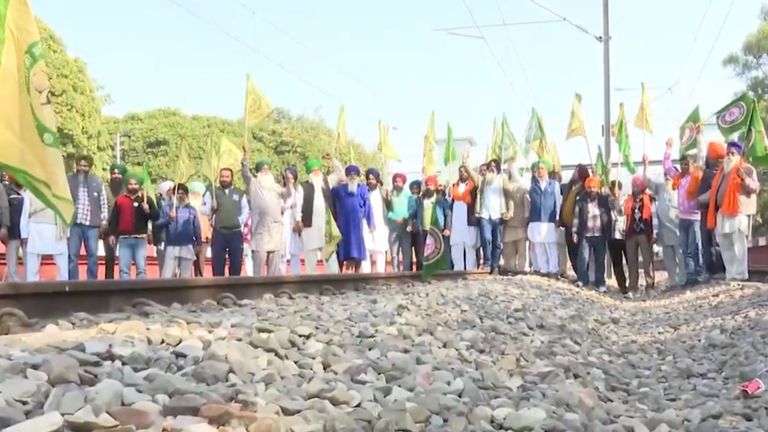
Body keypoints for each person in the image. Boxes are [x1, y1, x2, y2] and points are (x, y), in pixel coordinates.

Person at [705, 141, 760, 282]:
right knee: (725, 244)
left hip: (738, 212)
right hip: (722, 213)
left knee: (738, 244)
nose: (729, 156)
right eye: (727, 153)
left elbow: (755, 188)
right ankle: (731, 274)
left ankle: (740, 275)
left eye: (732, 153)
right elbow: (714, 193)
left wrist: (744, 178)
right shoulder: (722, 172)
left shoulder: (746, 169)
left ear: (739, 155)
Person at [665, 138, 704, 286]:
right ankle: (690, 277)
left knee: (694, 248)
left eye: (686, 164)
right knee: (685, 249)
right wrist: (668, 149)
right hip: (682, 218)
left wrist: (699, 137)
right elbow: (668, 167)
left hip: (695, 218)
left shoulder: (697, 175)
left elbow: (701, 156)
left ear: (692, 164)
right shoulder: (679, 178)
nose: (683, 166)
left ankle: (698, 274)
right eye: (681, 164)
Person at [643, 148, 684, 289]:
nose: (667, 176)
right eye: (666, 174)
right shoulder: (660, 187)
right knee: (669, 258)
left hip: (678, 228)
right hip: (664, 231)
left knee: (681, 256)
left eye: (670, 174)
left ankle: (682, 281)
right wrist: (646, 165)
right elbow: (647, 181)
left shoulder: (680, 187)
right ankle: (673, 282)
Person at [107, 172, 160, 279]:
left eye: (135, 184)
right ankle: (126, 294)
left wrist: (148, 211)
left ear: (139, 185)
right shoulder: (120, 200)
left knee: (141, 269)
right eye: (130, 184)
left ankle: (141, 293)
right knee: (124, 270)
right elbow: (114, 219)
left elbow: (156, 217)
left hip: (140, 239)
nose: (133, 186)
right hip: (124, 239)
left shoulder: (146, 199)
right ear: (127, 185)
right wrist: (112, 234)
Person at [297, 158, 344, 275]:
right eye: (314, 171)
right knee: (311, 257)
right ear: (309, 173)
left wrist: (333, 160)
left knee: (330, 255)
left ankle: (333, 280)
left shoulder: (327, 181)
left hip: (326, 226)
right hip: (310, 227)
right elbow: (298, 204)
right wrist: (298, 220)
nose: (317, 173)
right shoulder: (302, 187)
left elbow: (340, 173)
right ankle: (311, 283)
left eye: (318, 170)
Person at [201, 167, 249, 276]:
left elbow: (245, 209)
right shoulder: (212, 191)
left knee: (236, 265)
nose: (224, 179)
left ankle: (235, 289)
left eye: (227, 177)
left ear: (232, 178)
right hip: (219, 233)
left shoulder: (239, 193)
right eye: (222, 176)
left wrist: (239, 221)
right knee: (217, 266)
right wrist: (211, 208)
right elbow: (204, 210)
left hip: (235, 233)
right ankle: (218, 290)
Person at [67, 154, 108, 280]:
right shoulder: (68, 180)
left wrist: (104, 220)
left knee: (92, 256)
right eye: (80, 165)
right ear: (76, 166)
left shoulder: (97, 181)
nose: (82, 168)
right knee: (72, 256)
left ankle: (91, 283)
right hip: (74, 224)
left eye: (85, 166)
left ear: (89, 167)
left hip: (92, 225)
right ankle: (73, 283)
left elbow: (103, 202)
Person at [242, 157, 284, 276]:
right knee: (258, 270)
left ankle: (274, 292)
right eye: (263, 170)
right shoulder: (253, 184)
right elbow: (245, 173)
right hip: (260, 232)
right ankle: (257, 292)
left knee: (274, 271)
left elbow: (286, 194)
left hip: (275, 230)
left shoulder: (276, 186)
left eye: (267, 170)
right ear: (258, 172)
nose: (266, 172)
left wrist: (290, 184)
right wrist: (245, 157)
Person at [571, 176, 611, 292]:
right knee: (583, 258)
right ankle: (582, 280)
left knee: (600, 260)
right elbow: (576, 218)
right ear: (586, 188)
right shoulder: (581, 200)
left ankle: (600, 283)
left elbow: (609, 215)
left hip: (600, 234)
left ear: (597, 188)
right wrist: (574, 232)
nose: (592, 189)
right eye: (589, 187)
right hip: (585, 234)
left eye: (594, 187)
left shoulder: (603, 200)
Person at [332, 165, 373, 273]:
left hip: (357, 226)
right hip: (344, 227)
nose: (352, 177)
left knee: (358, 256)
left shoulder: (363, 189)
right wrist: (338, 179)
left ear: (359, 176)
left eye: (355, 175)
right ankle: (345, 281)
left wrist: (371, 223)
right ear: (346, 176)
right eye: (350, 175)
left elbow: (368, 207)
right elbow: (330, 194)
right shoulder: (339, 190)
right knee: (346, 256)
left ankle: (359, 280)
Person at [155, 183, 202, 278]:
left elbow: (197, 227)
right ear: (173, 195)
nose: (180, 196)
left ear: (187, 195)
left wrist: (199, 243)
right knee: (167, 275)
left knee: (186, 276)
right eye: (178, 193)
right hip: (171, 245)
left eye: (182, 193)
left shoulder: (191, 210)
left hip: (187, 245)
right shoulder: (167, 208)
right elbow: (157, 224)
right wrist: (168, 219)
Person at [21, 191, 68, 281]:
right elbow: (25, 213)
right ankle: (62, 286)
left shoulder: (32, 190)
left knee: (61, 261)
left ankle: (62, 286)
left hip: (53, 227)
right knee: (33, 263)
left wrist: (24, 234)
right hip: (39, 228)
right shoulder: (58, 190)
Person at [624, 175, 658, 297]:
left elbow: (654, 217)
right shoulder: (628, 200)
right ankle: (632, 288)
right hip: (631, 233)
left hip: (645, 233)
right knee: (632, 262)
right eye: (633, 185)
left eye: (637, 185)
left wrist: (655, 233)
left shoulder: (649, 199)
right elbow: (622, 213)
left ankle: (650, 286)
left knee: (647, 260)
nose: (635, 187)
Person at [408, 175, 451, 271]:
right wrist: (410, 225)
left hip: (436, 230)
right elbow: (412, 214)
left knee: (436, 254)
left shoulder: (440, 200)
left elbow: (448, 214)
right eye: (427, 185)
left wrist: (447, 228)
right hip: (422, 230)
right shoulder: (420, 200)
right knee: (421, 256)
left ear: (435, 186)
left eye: (431, 185)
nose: (429, 187)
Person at [475, 159, 511, 274]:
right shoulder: (483, 180)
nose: (492, 168)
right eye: (490, 166)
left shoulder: (503, 180)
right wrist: (466, 162)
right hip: (485, 215)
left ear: (498, 168)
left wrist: (510, 211)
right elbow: (472, 175)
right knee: (486, 238)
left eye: (495, 166)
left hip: (498, 215)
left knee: (497, 242)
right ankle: (487, 262)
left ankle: (494, 265)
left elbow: (509, 197)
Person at [697, 141, 727, 279]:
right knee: (706, 243)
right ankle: (710, 270)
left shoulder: (720, 174)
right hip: (705, 213)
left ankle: (718, 270)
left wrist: (702, 199)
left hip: (715, 213)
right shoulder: (707, 173)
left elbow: (714, 194)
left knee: (715, 242)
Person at [528, 159, 562, 276]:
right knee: (538, 245)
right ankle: (543, 269)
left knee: (551, 245)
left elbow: (558, 202)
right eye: (538, 169)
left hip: (549, 220)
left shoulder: (554, 184)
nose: (540, 171)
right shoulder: (532, 185)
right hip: (536, 219)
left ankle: (554, 269)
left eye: (542, 169)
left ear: (547, 170)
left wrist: (557, 217)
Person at [559, 164, 590, 275]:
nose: (573, 173)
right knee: (571, 251)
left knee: (580, 252)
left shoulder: (585, 188)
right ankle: (578, 274)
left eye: (576, 171)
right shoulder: (569, 187)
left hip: (578, 226)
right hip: (567, 225)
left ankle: (583, 275)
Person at [450, 164, 479, 271]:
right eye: (460, 171)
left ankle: (471, 270)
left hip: (469, 221)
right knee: (456, 246)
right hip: (457, 222)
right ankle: (458, 270)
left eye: (465, 171)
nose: (463, 173)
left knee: (470, 246)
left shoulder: (474, 187)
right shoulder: (453, 187)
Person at [501, 163, 529, 275]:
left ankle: (522, 268)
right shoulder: (504, 186)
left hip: (520, 221)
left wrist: (526, 219)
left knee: (522, 248)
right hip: (508, 223)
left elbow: (526, 205)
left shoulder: (523, 187)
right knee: (508, 248)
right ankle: (510, 267)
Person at [362, 168, 390, 273]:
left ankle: (380, 274)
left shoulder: (383, 192)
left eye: (373, 179)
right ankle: (366, 275)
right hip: (366, 224)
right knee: (366, 249)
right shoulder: (363, 191)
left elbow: (389, 206)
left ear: (377, 180)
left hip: (381, 225)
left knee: (380, 250)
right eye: (369, 179)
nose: (370, 181)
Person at [104, 163, 127, 279]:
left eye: (119, 174)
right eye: (114, 174)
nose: (116, 176)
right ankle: (108, 283)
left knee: (125, 258)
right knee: (110, 257)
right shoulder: (105, 189)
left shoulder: (128, 190)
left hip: (124, 228)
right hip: (109, 228)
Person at [281, 166, 303, 275]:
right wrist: (288, 207)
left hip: (294, 225)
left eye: (291, 178)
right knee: (283, 253)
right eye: (286, 178)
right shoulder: (280, 192)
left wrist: (298, 222)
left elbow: (299, 209)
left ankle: (296, 277)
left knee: (294, 252)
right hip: (282, 224)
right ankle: (280, 278)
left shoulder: (298, 192)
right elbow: (279, 208)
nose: (289, 180)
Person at [607, 180, 628, 295]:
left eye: (614, 189)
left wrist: (618, 199)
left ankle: (632, 283)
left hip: (624, 234)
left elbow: (622, 211)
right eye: (611, 189)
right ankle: (622, 285)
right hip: (612, 235)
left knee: (630, 260)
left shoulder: (625, 199)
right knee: (617, 262)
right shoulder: (609, 200)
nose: (612, 191)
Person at [187, 181, 212, 277]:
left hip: (203, 239)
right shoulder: (187, 207)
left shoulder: (205, 208)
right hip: (189, 239)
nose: (195, 196)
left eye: (198, 194)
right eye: (193, 193)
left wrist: (209, 235)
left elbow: (210, 222)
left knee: (200, 264)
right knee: (188, 264)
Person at [4, 176, 26, 281]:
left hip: (27, 231)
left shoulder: (29, 191)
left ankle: (30, 280)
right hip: (12, 229)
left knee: (29, 258)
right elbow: (3, 209)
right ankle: (13, 280)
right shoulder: (6, 190)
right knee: (12, 257)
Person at [387, 173, 410, 272]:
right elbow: (386, 211)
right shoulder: (389, 195)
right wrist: (394, 217)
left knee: (406, 253)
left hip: (405, 227)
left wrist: (404, 217)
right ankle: (396, 273)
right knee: (394, 253)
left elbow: (411, 209)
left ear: (403, 183)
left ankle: (405, 273)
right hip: (393, 227)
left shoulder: (408, 195)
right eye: (395, 182)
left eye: (399, 182)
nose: (397, 184)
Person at [152, 180, 175, 276]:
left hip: (176, 241)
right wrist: (168, 219)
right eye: (169, 190)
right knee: (164, 270)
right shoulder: (157, 205)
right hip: (163, 240)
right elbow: (156, 223)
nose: (172, 193)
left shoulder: (178, 205)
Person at [407, 179, 424, 271]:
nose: (414, 191)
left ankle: (419, 273)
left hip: (419, 230)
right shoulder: (408, 199)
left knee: (420, 255)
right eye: (413, 189)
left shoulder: (421, 200)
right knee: (408, 255)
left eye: (417, 189)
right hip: (408, 230)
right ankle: (409, 273)